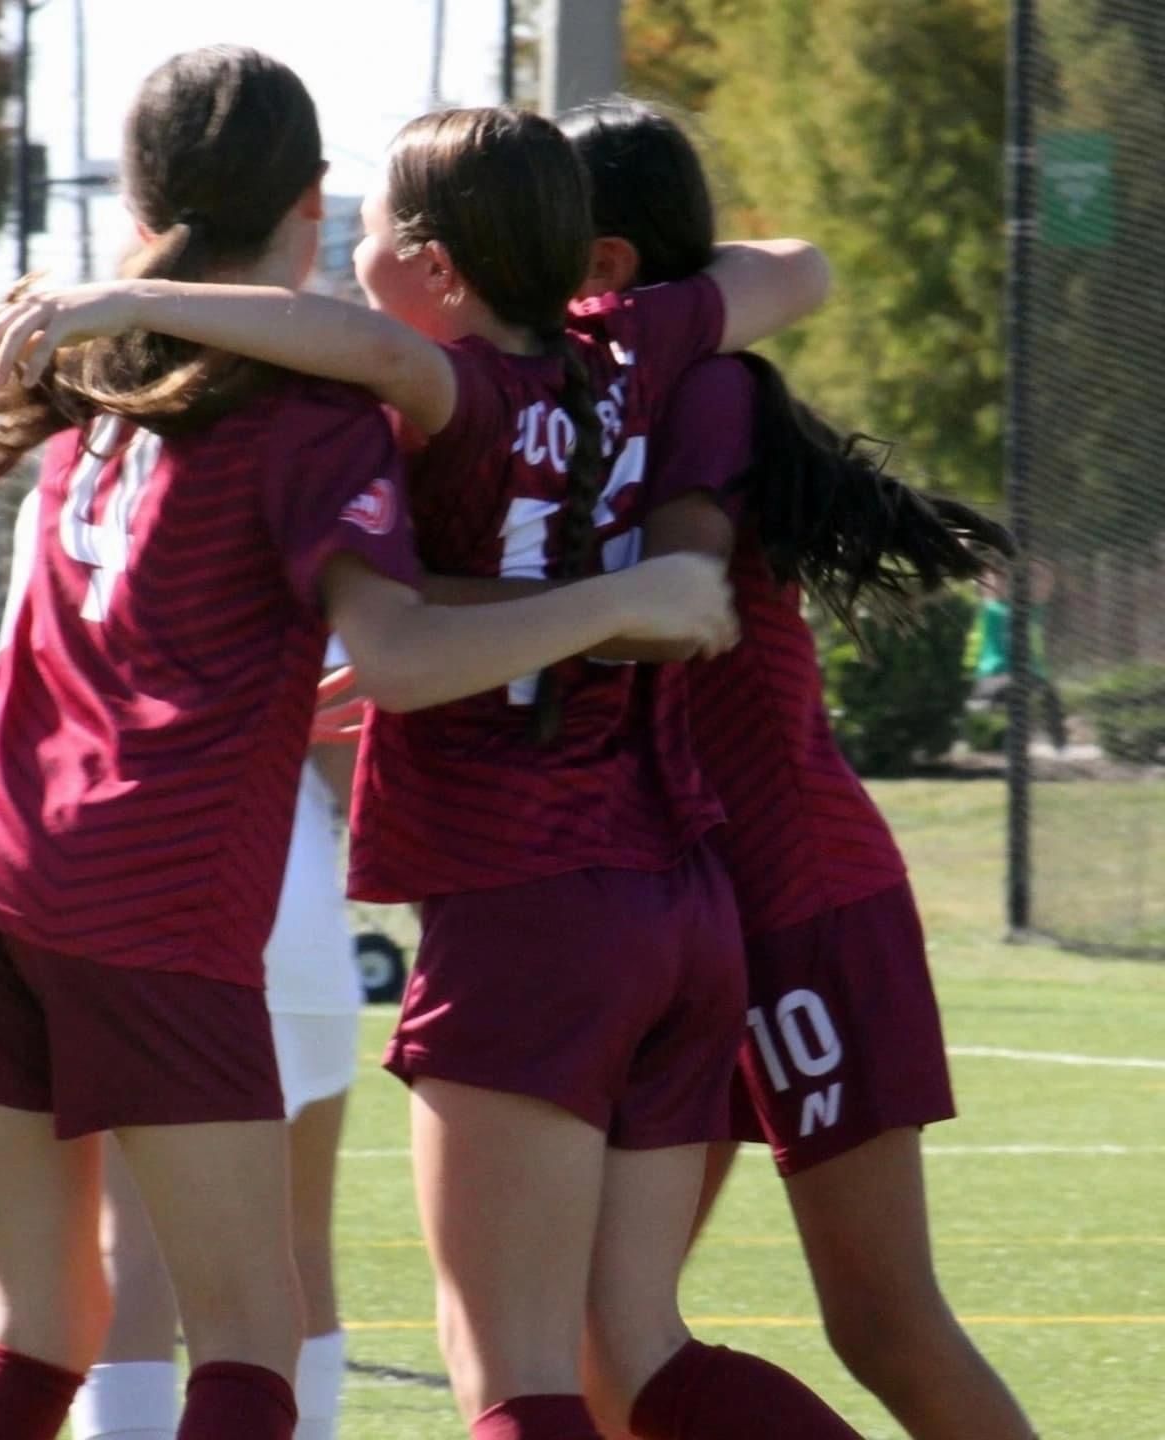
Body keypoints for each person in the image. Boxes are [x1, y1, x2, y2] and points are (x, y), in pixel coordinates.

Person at [0, 57, 738, 1440]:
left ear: (141, 199)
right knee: (251, 1344)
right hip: (142, 888)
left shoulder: (101, 369)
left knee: (38, 1326)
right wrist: (627, 603)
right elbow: (399, 654)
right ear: (315, 202)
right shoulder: (309, 411)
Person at [556, 98, 1037, 1440]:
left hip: (797, 905)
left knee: (882, 1322)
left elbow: (679, 598)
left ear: (601, 259)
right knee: (603, 1343)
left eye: (523, 217)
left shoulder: (697, 384)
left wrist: (460, 643)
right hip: (684, 922)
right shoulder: (566, 388)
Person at [0, 493, 362, 1440]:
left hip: (121, 888)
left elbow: (18, 705)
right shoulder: (295, 467)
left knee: (138, 1251)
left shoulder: (71, 479)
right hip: (279, 891)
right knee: (296, 1242)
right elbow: (350, 741)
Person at [968, 560, 1068, 751]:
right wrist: (991, 572)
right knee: (1008, 697)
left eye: (1007, 580)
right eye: (1000, 581)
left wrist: (1036, 568)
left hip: (1027, 675)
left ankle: (1059, 744)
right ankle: (984, 718)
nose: (1003, 585)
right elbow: (986, 586)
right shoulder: (991, 609)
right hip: (995, 675)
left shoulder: (1028, 610)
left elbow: (1044, 588)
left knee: (1049, 694)